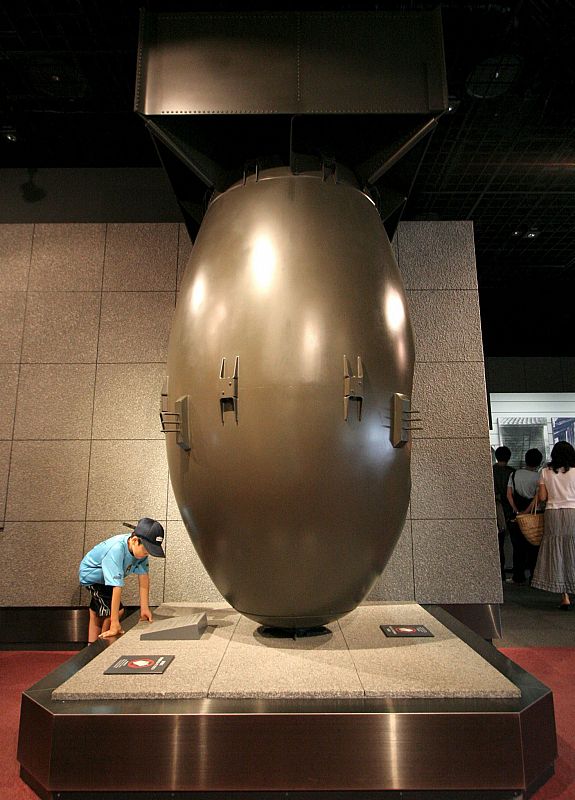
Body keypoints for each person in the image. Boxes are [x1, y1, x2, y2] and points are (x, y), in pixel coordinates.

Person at [79, 517, 166, 642]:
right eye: (147, 550)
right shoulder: (117, 549)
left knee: (95, 613)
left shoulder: (140, 552)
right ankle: (101, 647)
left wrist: (144, 608)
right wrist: (115, 623)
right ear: (135, 540)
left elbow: (144, 578)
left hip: (105, 577)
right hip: (93, 576)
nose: (147, 554)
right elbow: (116, 587)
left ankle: (90, 647)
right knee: (116, 612)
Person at [531, 441, 575, 610]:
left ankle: (564, 597)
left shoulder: (546, 472)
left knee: (558, 551)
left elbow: (542, 497)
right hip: (573, 512)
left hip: (554, 513)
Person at [506, 448, 543, 583]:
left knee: (518, 548)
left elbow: (509, 494)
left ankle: (518, 577)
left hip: (517, 516)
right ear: (539, 462)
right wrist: (528, 511)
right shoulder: (539, 477)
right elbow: (538, 498)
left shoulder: (514, 474)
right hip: (535, 515)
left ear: (526, 459)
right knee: (534, 548)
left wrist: (517, 510)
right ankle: (535, 577)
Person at [493, 446, 515, 580]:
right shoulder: (512, 472)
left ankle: (500, 572)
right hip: (510, 510)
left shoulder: (490, 471)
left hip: (497, 509)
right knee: (515, 542)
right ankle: (516, 569)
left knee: (499, 543)